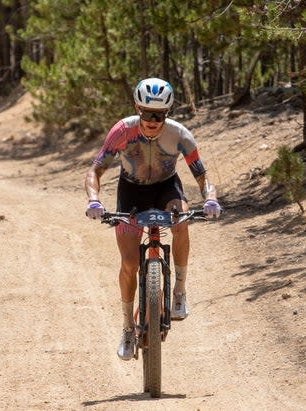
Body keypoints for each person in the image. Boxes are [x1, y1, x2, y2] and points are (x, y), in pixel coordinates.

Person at [84, 77, 222, 361]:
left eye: (158, 115)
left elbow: (202, 174)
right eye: (146, 113)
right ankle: (126, 327)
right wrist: (94, 200)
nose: (152, 120)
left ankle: (180, 291)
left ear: (167, 113)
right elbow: (95, 170)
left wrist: (210, 198)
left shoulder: (179, 134)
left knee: (182, 220)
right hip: (131, 192)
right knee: (129, 264)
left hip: (165, 189)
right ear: (137, 108)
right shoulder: (122, 131)